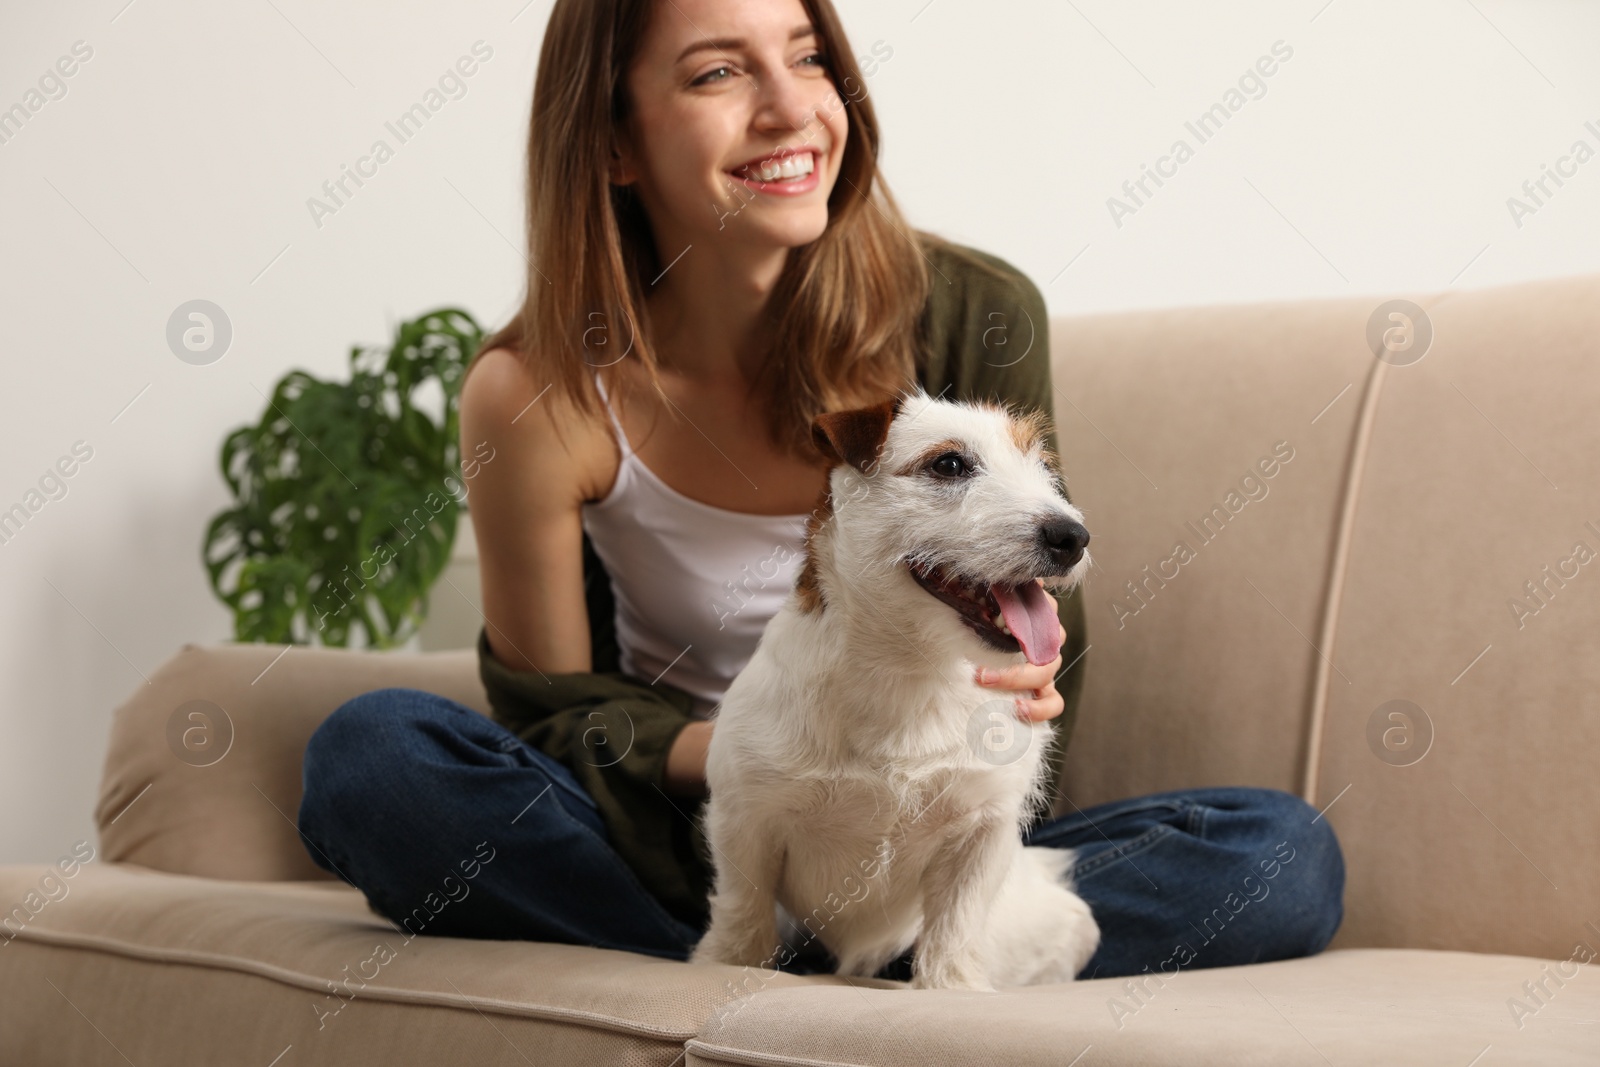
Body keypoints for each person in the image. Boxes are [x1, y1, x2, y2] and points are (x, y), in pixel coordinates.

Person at [297, 0, 1344, 983]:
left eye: (808, 57)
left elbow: (1034, 623)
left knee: (1281, 850)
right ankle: (772, 942)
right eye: (718, 71)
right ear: (611, 142)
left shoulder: (975, 311)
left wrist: (1007, 706)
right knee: (375, 758)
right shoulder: (537, 391)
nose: (792, 107)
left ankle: (875, 951)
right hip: (696, 828)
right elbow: (547, 715)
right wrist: (756, 757)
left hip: (925, 823)